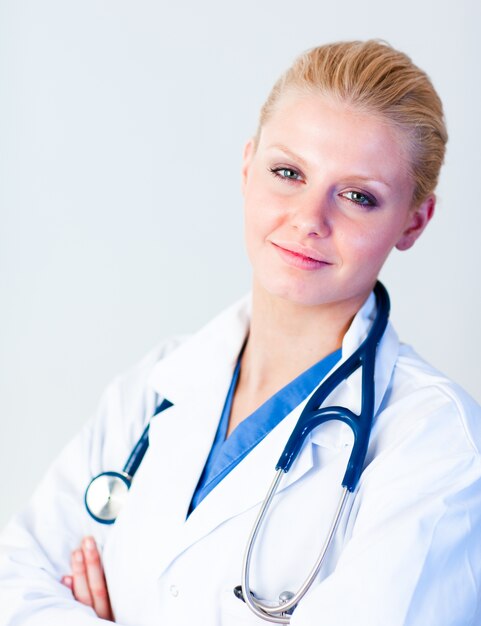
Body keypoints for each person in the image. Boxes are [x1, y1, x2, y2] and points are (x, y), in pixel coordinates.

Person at [1, 39, 481, 626]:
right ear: (247, 167)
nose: (309, 218)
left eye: (358, 196)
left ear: (414, 220)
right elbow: (15, 580)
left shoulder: (435, 444)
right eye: (288, 172)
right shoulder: (158, 386)